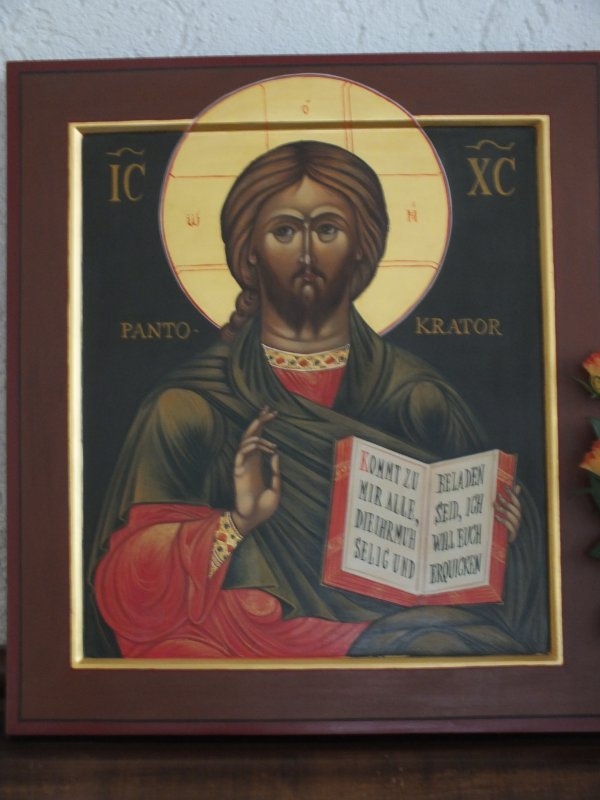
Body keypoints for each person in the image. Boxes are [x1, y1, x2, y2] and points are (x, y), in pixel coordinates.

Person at [89, 140, 547, 659]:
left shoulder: (419, 400)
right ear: (249, 251)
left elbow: (496, 576)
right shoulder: (192, 405)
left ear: (362, 247)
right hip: (247, 637)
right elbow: (129, 586)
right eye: (284, 231)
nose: (306, 253)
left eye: (327, 229)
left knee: (453, 642)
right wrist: (237, 522)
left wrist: (500, 531)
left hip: (405, 627)